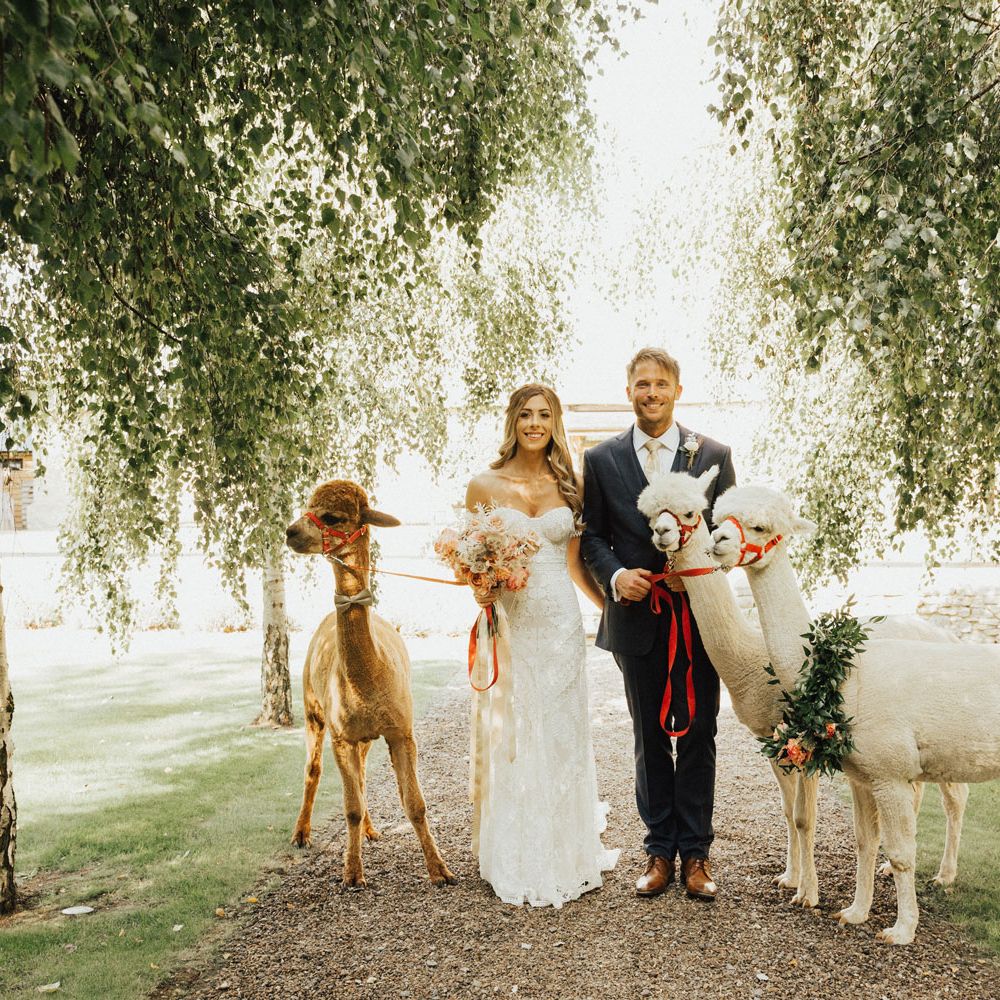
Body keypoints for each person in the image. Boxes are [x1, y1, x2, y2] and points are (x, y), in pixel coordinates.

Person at [580, 348, 736, 901]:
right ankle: (658, 851)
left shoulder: (712, 454)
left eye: (661, 383)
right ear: (629, 391)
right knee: (649, 735)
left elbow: (726, 538)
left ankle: (696, 853)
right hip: (635, 619)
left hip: (697, 620)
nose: (651, 392)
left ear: (677, 389)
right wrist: (617, 576)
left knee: (699, 731)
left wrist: (694, 574)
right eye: (642, 384)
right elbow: (592, 536)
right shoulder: (600, 460)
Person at [464, 383, 619, 907]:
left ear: (555, 423)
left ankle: (565, 852)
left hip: (560, 626)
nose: (535, 423)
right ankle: (517, 853)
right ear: (513, 420)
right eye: (526, 414)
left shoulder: (569, 484)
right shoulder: (483, 485)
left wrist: (612, 612)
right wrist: (479, 586)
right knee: (515, 734)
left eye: (544, 414)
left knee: (561, 734)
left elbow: (575, 564)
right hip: (514, 626)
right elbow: (475, 563)